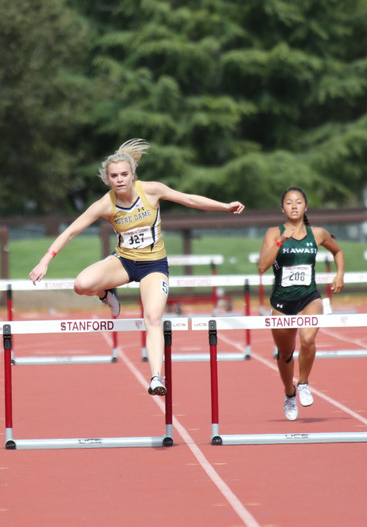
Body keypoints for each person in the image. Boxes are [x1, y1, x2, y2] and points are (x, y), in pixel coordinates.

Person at [28, 139, 244, 395]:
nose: (119, 180)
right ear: (108, 180)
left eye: (124, 174)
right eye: (114, 176)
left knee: (153, 318)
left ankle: (156, 378)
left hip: (153, 265)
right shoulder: (105, 204)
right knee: (81, 285)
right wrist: (45, 260)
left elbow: (189, 200)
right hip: (123, 262)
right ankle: (106, 294)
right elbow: (72, 231)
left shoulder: (151, 191)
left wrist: (224, 206)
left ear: (132, 175)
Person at [257, 187, 345, 421]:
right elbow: (261, 267)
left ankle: (304, 382)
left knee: (307, 339)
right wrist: (280, 241)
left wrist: (340, 275)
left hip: (309, 298)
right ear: (282, 208)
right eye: (288, 202)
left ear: (306, 207)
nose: (294, 206)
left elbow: (338, 252)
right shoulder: (273, 232)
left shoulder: (317, 234)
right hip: (281, 302)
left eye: (298, 202)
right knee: (285, 352)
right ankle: (289, 392)